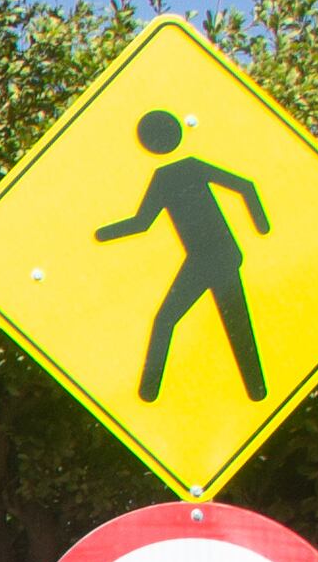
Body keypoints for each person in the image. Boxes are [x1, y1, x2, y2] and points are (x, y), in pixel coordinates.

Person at [93, 107, 268, 403]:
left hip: (216, 256)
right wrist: (100, 234)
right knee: (218, 322)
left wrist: (263, 227)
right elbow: (143, 223)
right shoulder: (175, 173)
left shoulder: (180, 170)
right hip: (210, 256)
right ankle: (152, 394)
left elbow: (246, 186)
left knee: (185, 321)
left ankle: (149, 392)